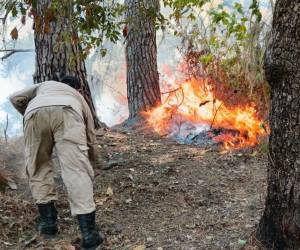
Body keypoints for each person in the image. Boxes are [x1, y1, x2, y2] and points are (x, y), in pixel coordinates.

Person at [9, 76, 104, 249]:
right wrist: (94, 164)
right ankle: (89, 234)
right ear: (78, 89)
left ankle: (48, 225)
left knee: (38, 168)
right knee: (76, 171)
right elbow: (90, 136)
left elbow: (15, 98)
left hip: (34, 113)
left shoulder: (44, 85)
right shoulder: (78, 97)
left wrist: (30, 113)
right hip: (67, 113)